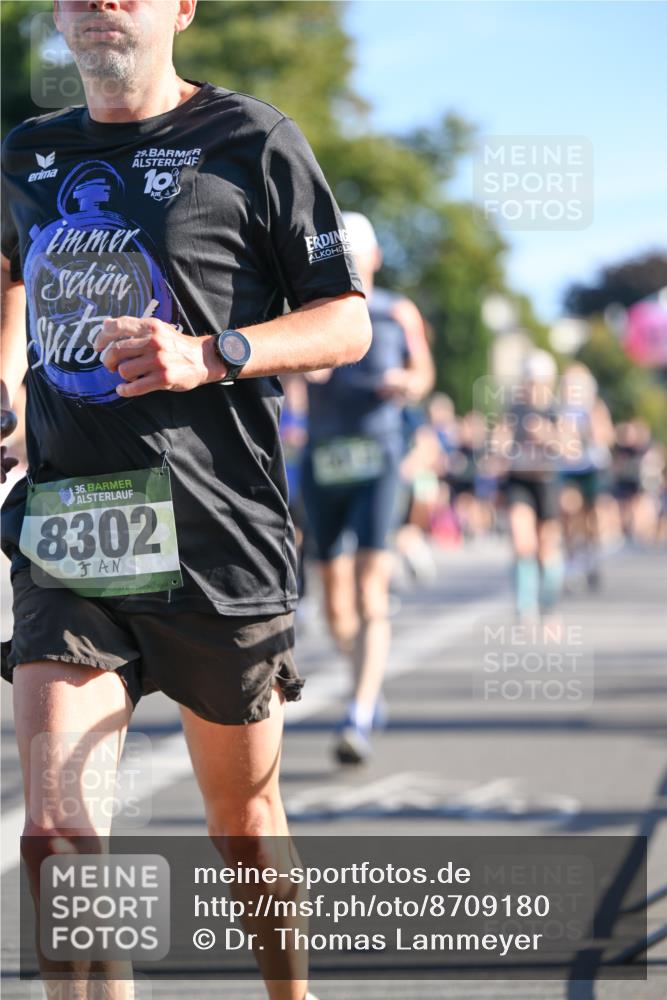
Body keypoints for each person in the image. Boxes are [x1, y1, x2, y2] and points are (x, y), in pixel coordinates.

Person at [0, 2, 371, 998]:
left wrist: (211, 353)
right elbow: (7, 271)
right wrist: (3, 384)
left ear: (180, 9)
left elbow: (344, 324)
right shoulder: (27, 153)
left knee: (242, 825)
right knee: (59, 836)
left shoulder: (252, 140)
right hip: (73, 531)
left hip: (219, 532)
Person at [300, 211, 434, 765]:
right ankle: (367, 676)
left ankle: (358, 710)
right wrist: (306, 366)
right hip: (325, 458)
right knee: (335, 603)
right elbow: (292, 370)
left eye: (360, 252)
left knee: (370, 587)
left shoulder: (397, 311)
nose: (353, 262)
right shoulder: (313, 310)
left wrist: (408, 382)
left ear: (375, 257)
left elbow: (424, 374)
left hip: (378, 455)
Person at [494, 350, 564, 621]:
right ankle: (525, 605)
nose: (532, 387)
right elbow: (500, 438)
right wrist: (500, 447)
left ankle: (548, 600)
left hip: (546, 482)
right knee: (523, 542)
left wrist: (547, 436)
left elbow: (569, 448)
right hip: (519, 481)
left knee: (547, 549)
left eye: (538, 381)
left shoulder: (555, 410)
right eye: (529, 381)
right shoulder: (515, 410)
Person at [557, 362, 614, 588]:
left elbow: (606, 436)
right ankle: (572, 559)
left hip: (592, 466)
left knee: (592, 516)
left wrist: (590, 428)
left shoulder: (595, 407)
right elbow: (558, 439)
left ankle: (591, 556)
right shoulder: (562, 409)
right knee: (569, 510)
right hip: (569, 469)